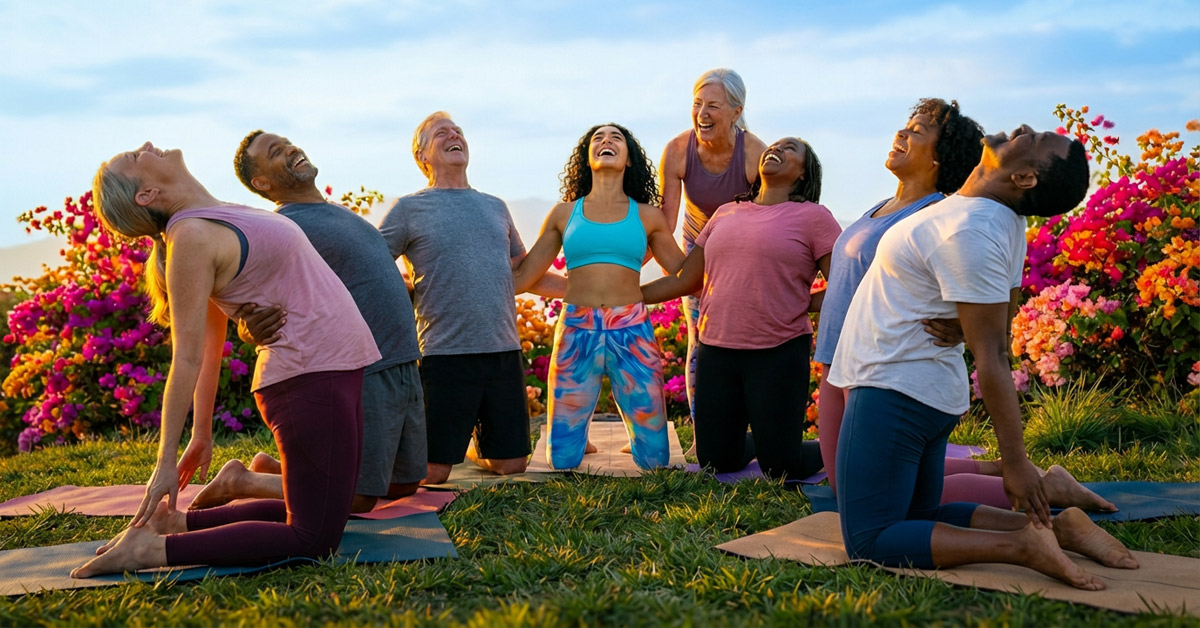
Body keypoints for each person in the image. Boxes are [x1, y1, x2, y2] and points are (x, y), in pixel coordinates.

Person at [828, 126, 1138, 589]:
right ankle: (1058, 529)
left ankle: (1023, 546)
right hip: (919, 388)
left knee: (870, 540)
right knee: (923, 515)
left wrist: (1015, 462)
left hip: (894, 388)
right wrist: (966, 320)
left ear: (1026, 178)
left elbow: (993, 352)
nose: (1023, 131)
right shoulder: (995, 216)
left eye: (1033, 142)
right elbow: (1006, 304)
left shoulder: (970, 229)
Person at [72, 142, 379, 578]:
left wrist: (202, 436)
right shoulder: (191, 238)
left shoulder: (219, 214)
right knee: (313, 539)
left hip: (335, 368)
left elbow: (215, 342)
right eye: (135, 158)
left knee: (327, 511)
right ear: (146, 195)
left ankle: (173, 524)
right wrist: (164, 462)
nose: (145, 147)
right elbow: (188, 357)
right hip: (306, 377)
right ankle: (148, 552)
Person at [186, 131, 426, 514]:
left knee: (403, 482)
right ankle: (241, 480)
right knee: (360, 496)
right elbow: (250, 298)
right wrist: (249, 327)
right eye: (276, 153)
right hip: (364, 366)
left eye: (288, 143)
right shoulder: (282, 228)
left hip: (401, 360)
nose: (292, 149)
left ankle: (272, 471)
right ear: (261, 183)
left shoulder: (336, 211)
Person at [379, 112, 563, 486]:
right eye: (441, 133)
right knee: (432, 473)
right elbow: (375, 263)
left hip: (503, 351)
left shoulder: (495, 206)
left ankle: (471, 445)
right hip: (445, 354)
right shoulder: (409, 209)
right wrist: (405, 291)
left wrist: (593, 290)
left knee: (512, 466)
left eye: (458, 131)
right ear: (422, 156)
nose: (454, 135)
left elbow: (521, 273)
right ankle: (424, 449)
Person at [643, 137, 838, 479]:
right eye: (775, 145)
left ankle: (841, 446)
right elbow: (688, 279)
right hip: (716, 350)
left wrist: (804, 303)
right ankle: (762, 440)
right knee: (716, 461)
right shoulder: (726, 212)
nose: (776, 149)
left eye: (790, 148)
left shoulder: (813, 217)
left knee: (781, 469)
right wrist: (628, 295)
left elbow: (843, 282)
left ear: (804, 174)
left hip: (778, 351)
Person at [512, 123, 684, 470]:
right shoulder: (564, 213)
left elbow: (683, 274)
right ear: (586, 159)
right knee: (562, 461)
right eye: (598, 138)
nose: (606, 141)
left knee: (655, 462)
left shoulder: (648, 216)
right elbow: (524, 278)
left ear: (630, 160)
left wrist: (639, 296)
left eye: (616, 137)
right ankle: (579, 439)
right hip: (577, 331)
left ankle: (627, 437)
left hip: (632, 331)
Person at [658, 68, 767, 438]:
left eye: (713, 106)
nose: (702, 113)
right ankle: (703, 434)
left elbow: (770, 223)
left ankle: (750, 432)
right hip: (696, 249)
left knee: (748, 337)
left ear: (736, 112)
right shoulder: (677, 150)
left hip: (745, 250)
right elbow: (663, 226)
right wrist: (687, 276)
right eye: (697, 104)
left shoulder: (755, 154)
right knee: (700, 339)